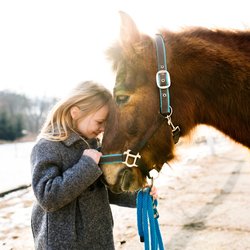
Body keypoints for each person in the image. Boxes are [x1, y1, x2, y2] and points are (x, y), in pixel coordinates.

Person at [30, 81, 157, 250]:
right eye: (100, 122)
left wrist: (139, 195)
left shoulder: (94, 146)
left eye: (107, 123)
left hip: (99, 239)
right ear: (75, 112)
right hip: (63, 244)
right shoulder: (47, 146)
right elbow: (47, 197)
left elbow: (105, 189)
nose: (103, 128)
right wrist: (86, 166)